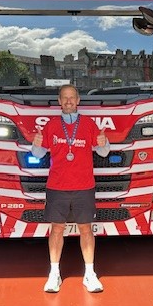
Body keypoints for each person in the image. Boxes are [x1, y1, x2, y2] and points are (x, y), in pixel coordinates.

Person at [31, 84, 110, 293]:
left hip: (84, 185)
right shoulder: (51, 125)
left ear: (78, 101)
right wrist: (36, 143)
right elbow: (38, 155)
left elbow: (103, 153)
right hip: (57, 186)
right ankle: (54, 274)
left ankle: (90, 274)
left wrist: (103, 142)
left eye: (72, 98)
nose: (68, 101)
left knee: (86, 229)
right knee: (57, 229)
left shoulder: (88, 124)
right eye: (64, 98)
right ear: (59, 101)